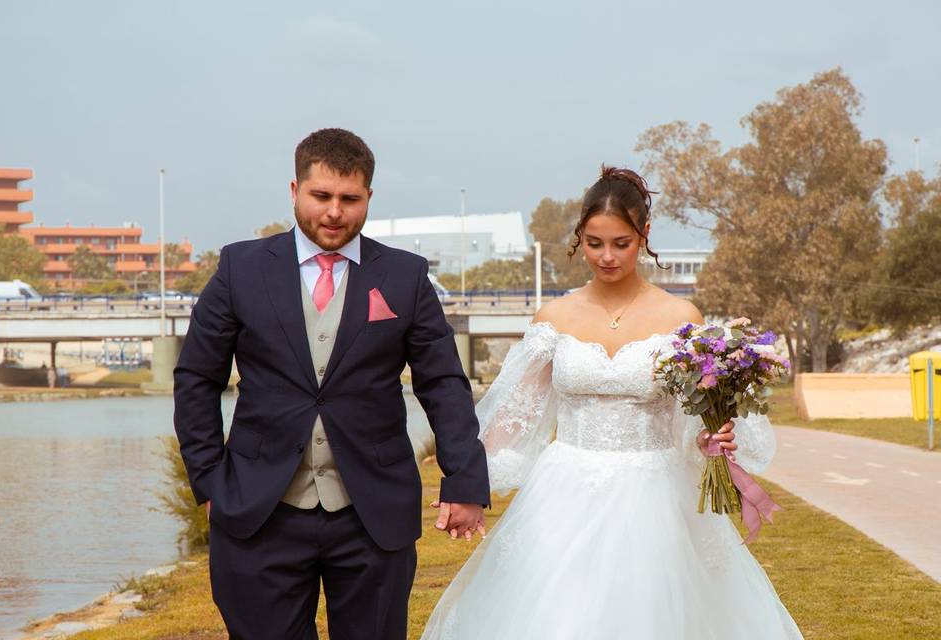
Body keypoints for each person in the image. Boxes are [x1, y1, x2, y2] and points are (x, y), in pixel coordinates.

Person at [421, 166, 804, 639]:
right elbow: (515, 417)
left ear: (644, 235)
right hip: (563, 492)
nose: (606, 256)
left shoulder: (680, 317)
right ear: (579, 238)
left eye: (621, 243)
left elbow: (693, 419)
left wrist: (712, 434)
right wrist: (465, 485)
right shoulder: (554, 317)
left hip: (656, 493)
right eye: (594, 243)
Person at [174, 128, 490, 639]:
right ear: (294, 190)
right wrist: (209, 480)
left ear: (369, 197)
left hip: (373, 513)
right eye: (321, 196)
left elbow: (443, 385)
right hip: (258, 510)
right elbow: (196, 378)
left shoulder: (406, 276)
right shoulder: (240, 268)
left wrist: (465, 481)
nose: (335, 212)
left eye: (350, 199)